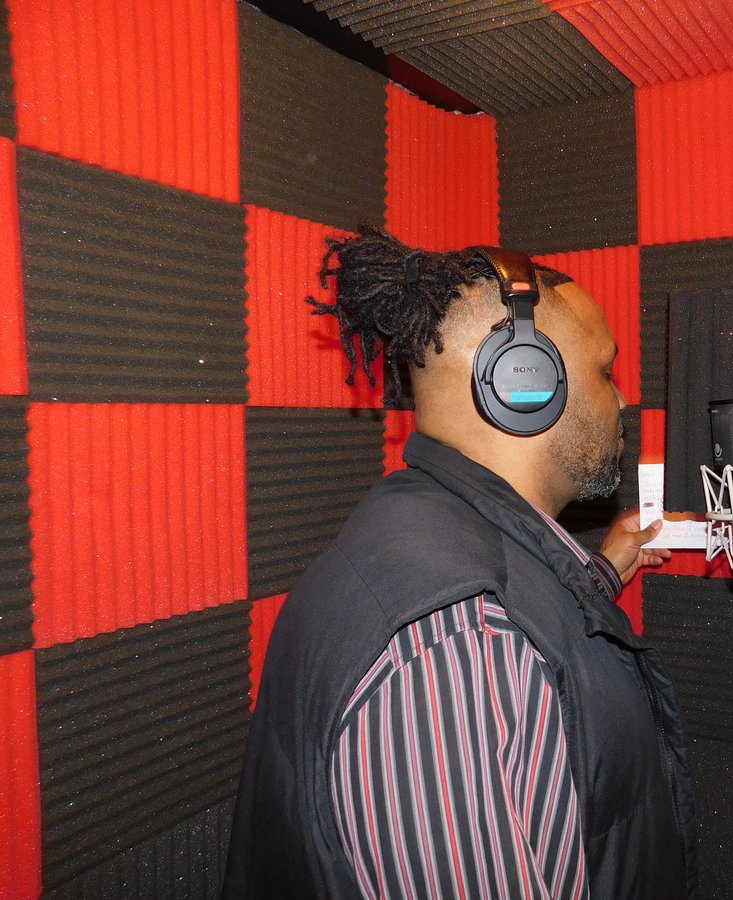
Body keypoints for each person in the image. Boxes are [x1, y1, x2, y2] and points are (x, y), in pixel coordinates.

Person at [223, 225, 699, 899]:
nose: (622, 400)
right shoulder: (458, 642)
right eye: (604, 372)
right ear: (523, 381)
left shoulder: (434, 537)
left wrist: (600, 571)